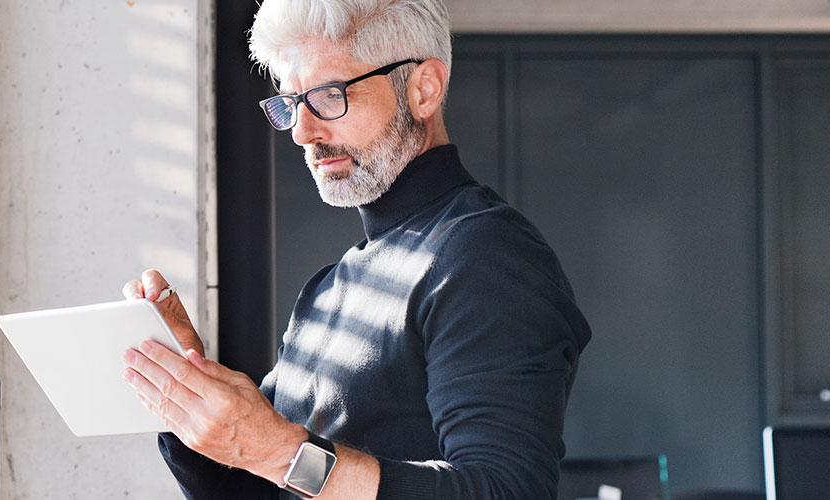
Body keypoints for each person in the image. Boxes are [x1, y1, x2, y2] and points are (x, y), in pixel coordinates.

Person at [118, 0, 592, 498]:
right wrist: (184, 381)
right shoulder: (326, 290)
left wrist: (278, 451)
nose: (303, 131)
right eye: (292, 103)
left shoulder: (484, 254)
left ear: (423, 90)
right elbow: (259, 492)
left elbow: (504, 491)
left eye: (328, 95)